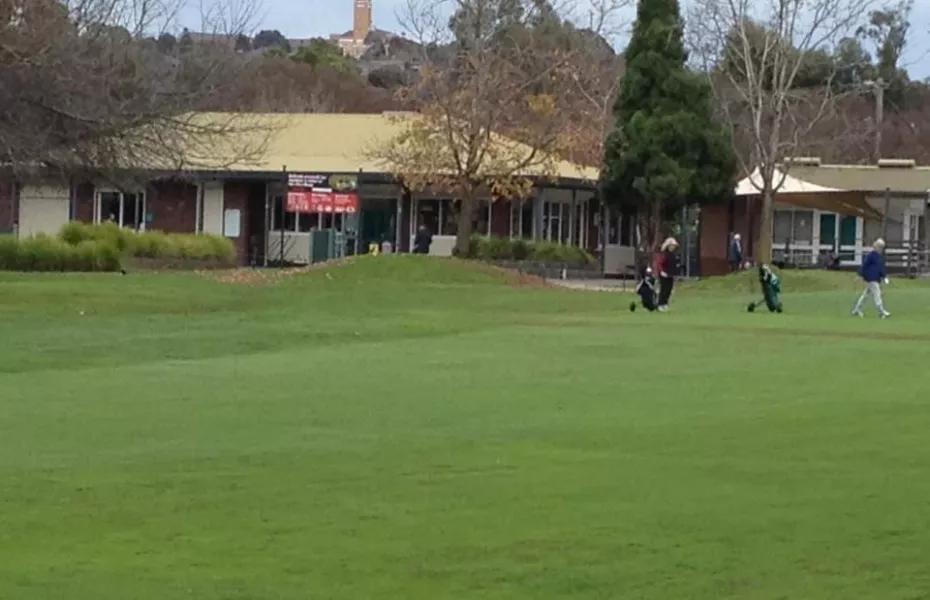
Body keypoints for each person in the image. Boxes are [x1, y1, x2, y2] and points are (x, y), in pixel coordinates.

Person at [852, 238, 891, 318]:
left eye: (882, 247)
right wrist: (859, 274)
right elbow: (864, 265)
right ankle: (881, 311)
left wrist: (884, 276)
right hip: (871, 278)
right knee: (877, 293)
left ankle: (857, 309)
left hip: (874, 278)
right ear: (876, 247)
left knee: (866, 294)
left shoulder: (879, 257)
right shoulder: (870, 256)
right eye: (880, 247)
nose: (881, 249)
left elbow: (881, 268)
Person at [656, 237, 679, 312]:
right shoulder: (664, 254)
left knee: (669, 289)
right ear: (668, 246)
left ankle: (665, 303)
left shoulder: (673, 255)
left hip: (670, 274)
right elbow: (659, 263)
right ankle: (660, 304)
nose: (673, 247)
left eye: (674, 246)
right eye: (672, 246)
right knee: (663, 289)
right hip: (663, 274)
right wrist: (662, 271)